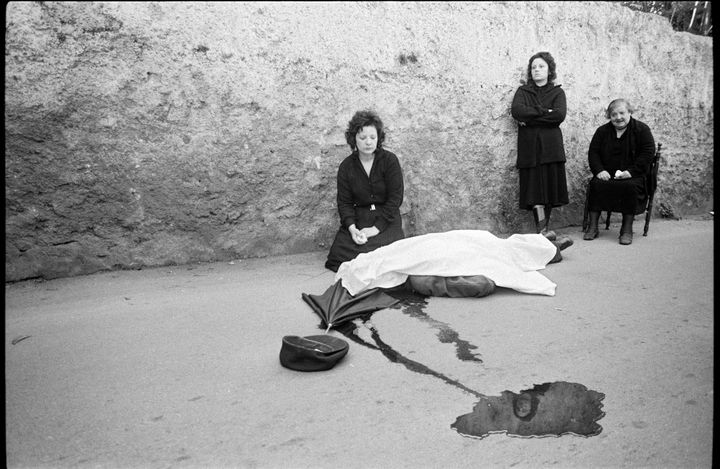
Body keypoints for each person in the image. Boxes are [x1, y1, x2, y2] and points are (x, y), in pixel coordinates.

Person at [325, 110, 405, 272]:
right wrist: (352, 228)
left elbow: (395, 198)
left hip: (386, 218)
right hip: (360, 217)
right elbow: (345, 203)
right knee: (337, 255)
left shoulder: (389, 161)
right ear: (354, 139)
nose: (368, 142)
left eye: (372, 137)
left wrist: (375, 229)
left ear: (379, 138)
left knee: (388, 252)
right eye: (362, 138)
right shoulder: (347, 167)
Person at [511, 51, 569, 237]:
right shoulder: (523, 92)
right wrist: (544, 111)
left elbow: (559, 116)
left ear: (549, 70)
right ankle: (542, 231)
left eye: (541, 66)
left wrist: (531, 118)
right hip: (530, 148)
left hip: (551, 147)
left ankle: (543, 231)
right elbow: (517, 112)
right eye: (533, 67)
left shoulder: (557, 92)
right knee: (535, 190)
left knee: (550, 189)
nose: (536, 70)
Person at [584, 98, 656, 245]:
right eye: (613, 115)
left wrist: (631, 172)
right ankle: (593, 227)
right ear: (609, 117)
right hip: (607, 174)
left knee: (629, 186)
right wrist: (599, 171)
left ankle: (626, 229)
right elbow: (594, 153)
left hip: (633, 175)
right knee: (596, 184)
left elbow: (648, 153)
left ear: (630, 112)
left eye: (622, 113)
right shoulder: (602, 131)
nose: (618, 118)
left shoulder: (642, 130)